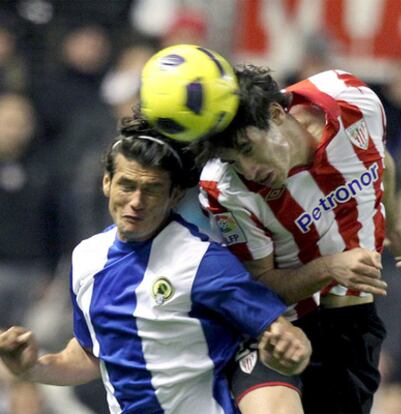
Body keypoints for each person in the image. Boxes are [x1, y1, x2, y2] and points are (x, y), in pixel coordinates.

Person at [0, 119, 312, 414]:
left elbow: (283, 333)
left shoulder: (204, 262)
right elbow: (91, 356)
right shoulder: (86, 257)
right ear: (106, 183)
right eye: (127, 185)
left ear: (174, 195)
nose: (136, 201)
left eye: (151, 190)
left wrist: (290, 350)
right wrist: (30, 367)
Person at [190, 64, 401, 414]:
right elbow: (262, 285)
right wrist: (329, 267)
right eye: (234, 161)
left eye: (248, 149)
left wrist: (395, 226)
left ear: (277, 114)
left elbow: (377, 158)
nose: (249, 171)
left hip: (352, 321)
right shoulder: (227, 188)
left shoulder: (352, 99)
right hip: (279, 326)